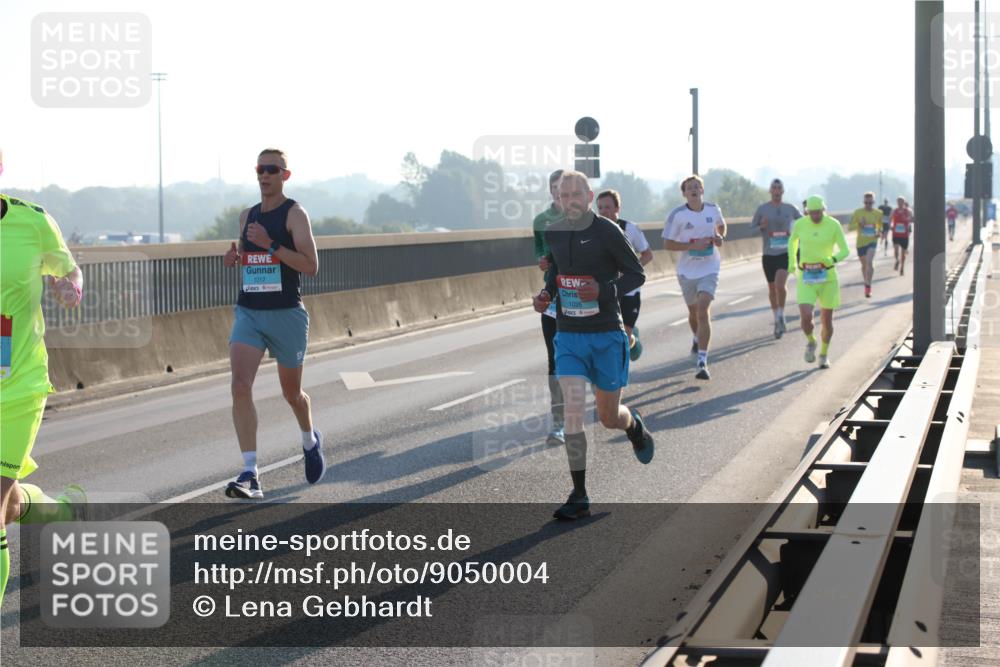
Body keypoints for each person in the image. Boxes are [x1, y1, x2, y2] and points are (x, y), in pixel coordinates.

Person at [532, 171, 654, 521]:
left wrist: (602, 290)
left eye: (575, 194)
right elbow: (555, 273)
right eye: (562, 195)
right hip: (569, 335)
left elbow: (636, 274)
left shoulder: (606, 231)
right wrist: (545, 296)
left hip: (605, 334)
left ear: (588, 196)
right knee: (572, 410)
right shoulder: (554, 232)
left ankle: (634, 426)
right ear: (556, 198)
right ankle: (579, 493)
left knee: (607, 417)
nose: (568, 200)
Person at [1, 148, 88, 610]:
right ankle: (61, 511)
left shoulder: (32, 223)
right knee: (9, 505)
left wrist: (70, 286)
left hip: (18, 385)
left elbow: (69, 269)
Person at [222, 148, 324, 499]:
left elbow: (310, 265)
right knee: (239, 385)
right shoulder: (245, 216)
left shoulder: (295, 215)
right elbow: (250, 257)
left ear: (285, 175)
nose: (264, 175)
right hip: (249, 312)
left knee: (292, 394)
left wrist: (273, 244)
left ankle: (310, 440)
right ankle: (250, 473)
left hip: (286, 315)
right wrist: (235, 258)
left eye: (271, 169)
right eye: (259, 169)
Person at [662, 175, 727, 380]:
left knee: (703, 310)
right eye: (690, 187)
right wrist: (692, 246)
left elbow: (721, 226)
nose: (694, 190)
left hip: (710, 267)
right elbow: (668, 244)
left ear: (702, 191)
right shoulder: (678, 215)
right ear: (684, 193)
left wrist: (719, 237)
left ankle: (702, 361)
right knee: (693, 312)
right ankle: (696, 337)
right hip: (687, 271)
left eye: (697, 186)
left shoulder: (713, 209)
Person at [788, 195, 850, 369]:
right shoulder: (801, 224)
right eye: (812, 213)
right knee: (806, 316)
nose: (815, 216)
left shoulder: (833, 224)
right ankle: (811, 340)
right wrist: (791, 262)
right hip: (806, 276)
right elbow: (792, 241)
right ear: (807, 211)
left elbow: (845, 250)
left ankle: (823, 354)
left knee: (826, 320)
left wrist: (832, 259)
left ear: (824, 210)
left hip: (827, 277)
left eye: (818, 212)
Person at [596, 189, 653, 360]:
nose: (603, 211)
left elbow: (648, 254)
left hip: (629, 291)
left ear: (617, 208)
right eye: (600, 208)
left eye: (607, 207)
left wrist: (630, 269)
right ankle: (609, 375)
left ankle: (633, 342)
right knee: (605, 336)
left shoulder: (630, 228)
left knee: (625, 337)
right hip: (605, 291)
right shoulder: (593, 231)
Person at [533, 170, 566, 446]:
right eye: (555, 187)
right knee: (555, 360)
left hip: (582, 299)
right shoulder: (542, 221)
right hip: (553, 296)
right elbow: (539, 253)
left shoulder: (591, 223)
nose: (560, 192)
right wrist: (543, 263)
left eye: (565, 188)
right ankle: (559, 422)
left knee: (581, 357)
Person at [750, 178, 800, 338]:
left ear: (783, 191)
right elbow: (750, 229)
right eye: (774, 188)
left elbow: (804, 224)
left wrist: (795, 231)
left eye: (779, 188)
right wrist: (761, 226)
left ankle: (781, 314)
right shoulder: (763, 209)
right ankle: (777, 315)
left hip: (785, 252)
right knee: (772, 289)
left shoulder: (790, 208)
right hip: (768, 253)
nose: (777, 190)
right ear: (770, 191)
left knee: (780, 285)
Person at [848, 191, 883, 298]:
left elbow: (880, 226)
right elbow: (850, 227)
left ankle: (868, 285)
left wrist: (879, 232)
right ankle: (866, 283)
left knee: (869, 262)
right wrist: (859, 224)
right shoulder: (858, 212)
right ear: (864, 202)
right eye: (866, 203)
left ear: (873, 202)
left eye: (870, 203)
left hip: (872, 241)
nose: (868, 205)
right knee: (864, 266)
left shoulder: (878, 213)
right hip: (861, 243)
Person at [891, 196, 913, 276]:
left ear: (903, 203)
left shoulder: (908, 211)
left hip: (904, 235)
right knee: (896, 250)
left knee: (903, 253)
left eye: (901, 202)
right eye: (898, 202)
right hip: (896, 233)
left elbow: (911, 219)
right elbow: (890, 219)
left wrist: (906, 219)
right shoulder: (894, 211)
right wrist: (891, 225)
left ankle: (902, 268)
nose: (900, 203)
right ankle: (897, 260)